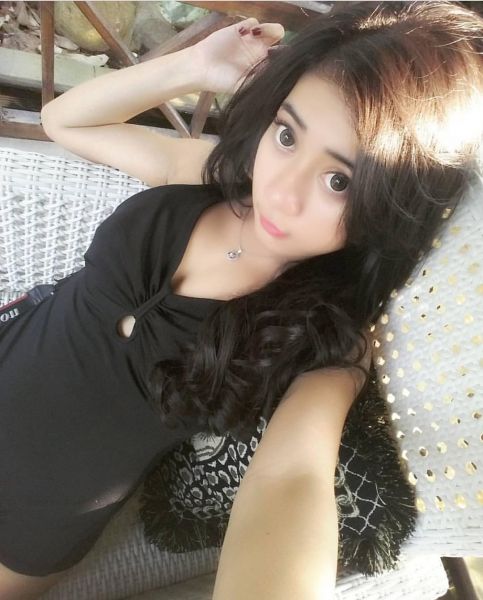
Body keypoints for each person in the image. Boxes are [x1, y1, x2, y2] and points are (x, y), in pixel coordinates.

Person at [1, 1, 482, 598]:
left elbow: (291, 478)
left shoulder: (325, 336)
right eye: (288, 135)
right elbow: (64, 121)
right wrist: (194, 67)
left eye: (339, 181)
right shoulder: (216, 179)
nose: (281, 191)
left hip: (27, 525)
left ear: (389, 202)